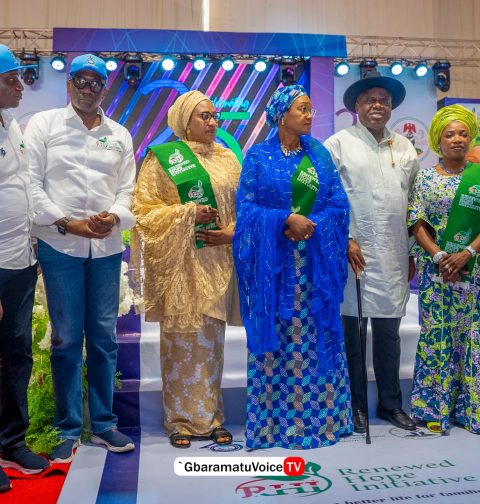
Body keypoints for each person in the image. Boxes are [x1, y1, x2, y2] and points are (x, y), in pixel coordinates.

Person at [25, 54, 136, 462]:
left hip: (105, 248)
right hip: (60, 246)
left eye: (96, 82)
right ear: (69, 83)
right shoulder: (44, 125)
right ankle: (68, 427)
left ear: (105, 87)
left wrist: (114, 217)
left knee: (104, 339)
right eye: (81, 81)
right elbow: (31, 185)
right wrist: (66, 223)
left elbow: (127, 190)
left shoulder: (119, 134)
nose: (88, 89)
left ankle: (104, 424)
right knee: (67, 339)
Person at [234, 85, 352, 450]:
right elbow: (246, 210)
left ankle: (322, 423)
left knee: (315, 339)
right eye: (302, 109)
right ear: (281, 115)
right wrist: (285, 219)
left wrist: (311, 225)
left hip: (315, 270)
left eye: (311, 108)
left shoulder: (319, 155)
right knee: (278, 341)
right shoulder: (258, 156)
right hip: (275, 271)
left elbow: (339, 205)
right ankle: (273, 427)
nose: (309, 115)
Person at [131, 90, 241, 449]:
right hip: (180, 266)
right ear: (184, 120)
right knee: (182, 343)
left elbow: (244, 207)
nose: (212, 122)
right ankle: (178, 420)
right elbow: (144, 211)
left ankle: (212, 418)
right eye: (203, 116)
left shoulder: (228, 158)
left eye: (214, 115)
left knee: (211, 344)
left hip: (217, 260)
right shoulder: (163, 158)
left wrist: (231, 232)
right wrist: (188, 213)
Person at [324, 71, 419, 433]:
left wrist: (410, 251)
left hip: (393, 253)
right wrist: (346, 239)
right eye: (370, 100)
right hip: (353, 253)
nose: (378, 105)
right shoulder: (338, 144)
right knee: (353, 336)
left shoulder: (404, 146)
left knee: (389, 337)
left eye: (384, 100)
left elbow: (413, 203)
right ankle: (356, 405)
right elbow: (328, 199)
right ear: (356, 107)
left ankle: (391, 404)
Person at [408, 104, 480, 434]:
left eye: (463, 133)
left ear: (471, 137)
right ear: (438, 139)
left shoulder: (478, 177)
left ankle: (470, 409)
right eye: (450, 134)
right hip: (435, 271)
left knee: (470, 335)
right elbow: (416, 222)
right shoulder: (424, 178)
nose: (457, 139)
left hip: (473, 269)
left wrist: (467, 252)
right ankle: (433, 407)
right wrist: (439, 256)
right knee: (436, 334)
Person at [0, 44, 49, 485]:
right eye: (11, 78)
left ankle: (11, 443)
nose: (21, 85)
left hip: (19, 261)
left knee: (17, 353)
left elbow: (23, 187)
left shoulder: (11, 122)